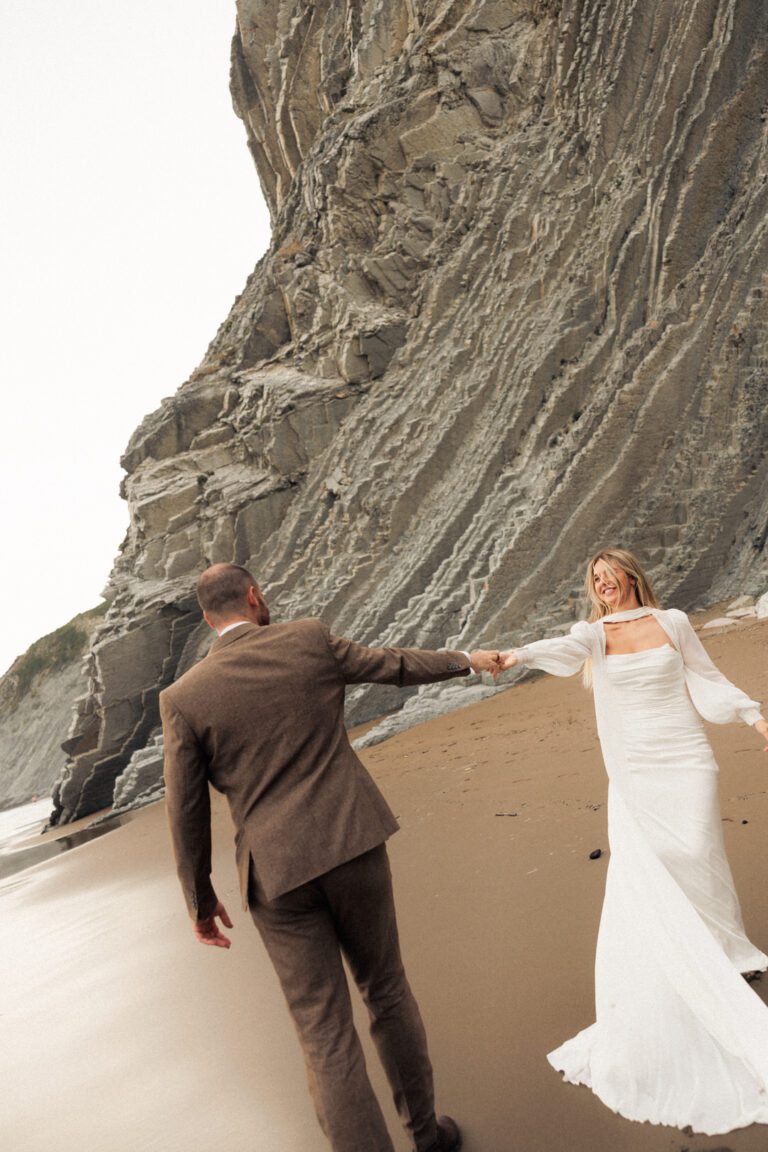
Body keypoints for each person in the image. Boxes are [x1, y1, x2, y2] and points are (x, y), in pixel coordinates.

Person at [161, 562, 501, 1152]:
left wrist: (199, 898)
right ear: (253, 596)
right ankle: (426, 1136)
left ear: (206, 617)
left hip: (278, 877)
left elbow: (184, 812)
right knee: (387, 991)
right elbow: (393, 666)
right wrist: (468, 658)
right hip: (352, 843)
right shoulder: (308, 640)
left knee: (324, 1034)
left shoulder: (183, 699)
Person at [499, 547, 768, 1136]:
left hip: (687, 758)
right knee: (661, 865)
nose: (602, 585)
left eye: (609, 575)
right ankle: (685, 961)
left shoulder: (671, 622)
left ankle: (728, 953)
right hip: (636, 770)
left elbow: (706, 677)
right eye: (594, 579)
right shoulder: (591, 636)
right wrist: (517, 654)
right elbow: (563, 653)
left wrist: (754, 717)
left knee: (701, 856)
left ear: (630, 575)